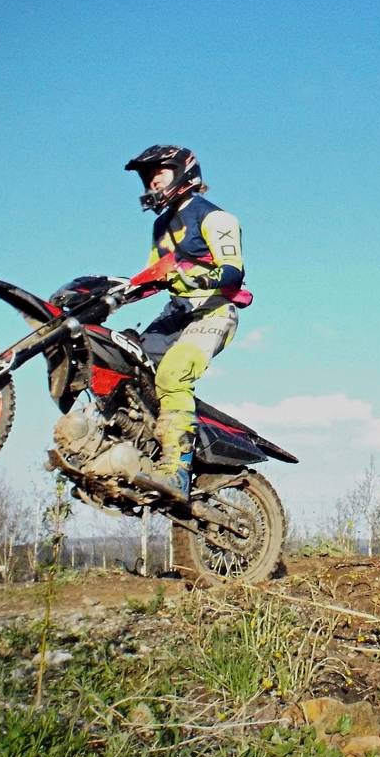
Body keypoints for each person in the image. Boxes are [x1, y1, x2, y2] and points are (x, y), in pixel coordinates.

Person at [123, 144, 249, 496]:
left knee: (173, 374)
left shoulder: (215, 218)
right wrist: (111, 295)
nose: (152, 183)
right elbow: (153, 276)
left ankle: (177, 470)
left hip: (214, 310)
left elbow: (232, 271)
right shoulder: (161, 226)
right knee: (128, 364)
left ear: (183, 173)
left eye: (159, 174)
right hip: (176, 313)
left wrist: (196, 276)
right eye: (148, 178)